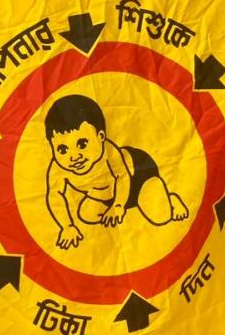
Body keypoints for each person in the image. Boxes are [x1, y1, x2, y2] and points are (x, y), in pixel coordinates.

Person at [44, 94, 188, 250]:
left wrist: (118, 206)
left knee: (162, 217)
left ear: (100, 137)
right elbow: (55, 195)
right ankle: (126, 207)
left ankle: (171, 199)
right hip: (106, 193)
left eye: (82, 144)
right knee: (86, 214)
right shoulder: (58, 168)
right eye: (62, 149)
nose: (74, 156)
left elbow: (122, 177)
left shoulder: (110, 151)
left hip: (138, 177)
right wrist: (67, 227)